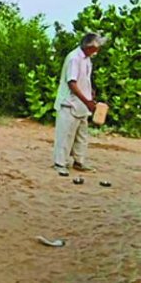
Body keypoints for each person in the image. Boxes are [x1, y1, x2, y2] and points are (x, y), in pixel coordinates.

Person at [52, 33, 105, 176]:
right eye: (95, 48)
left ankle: (79, 161)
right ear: (89, 47)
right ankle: (60, 163)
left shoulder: (87, 59)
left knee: (81, 135)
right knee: (65, 135)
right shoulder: (74, 58)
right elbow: (72, 83)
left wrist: (90, 93)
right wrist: (86, 101)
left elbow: (85, 79)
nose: (97, 51)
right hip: (69, 103)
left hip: (81, 104)